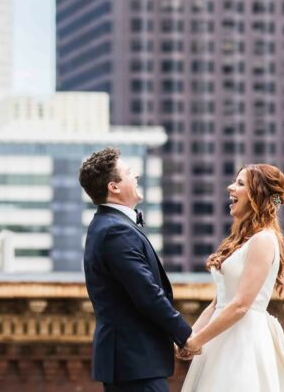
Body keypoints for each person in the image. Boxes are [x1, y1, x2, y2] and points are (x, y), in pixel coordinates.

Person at [79, 147, 197, 392]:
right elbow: (147, 293)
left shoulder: (107, 225)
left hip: (131, 362)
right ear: (114, 186)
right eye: (129, 172)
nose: (136, 176)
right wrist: (184, 335)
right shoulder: (115, 231)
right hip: (134, 363)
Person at [179, 164, 284, 392]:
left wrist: (198, 341)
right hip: (219, 338)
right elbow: (218, 303)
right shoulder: (242, 241)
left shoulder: (264, 240)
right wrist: (189, 337)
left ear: (258, 195)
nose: (230, 187)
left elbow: (241, 305)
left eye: (240, 184)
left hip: (243, 342)